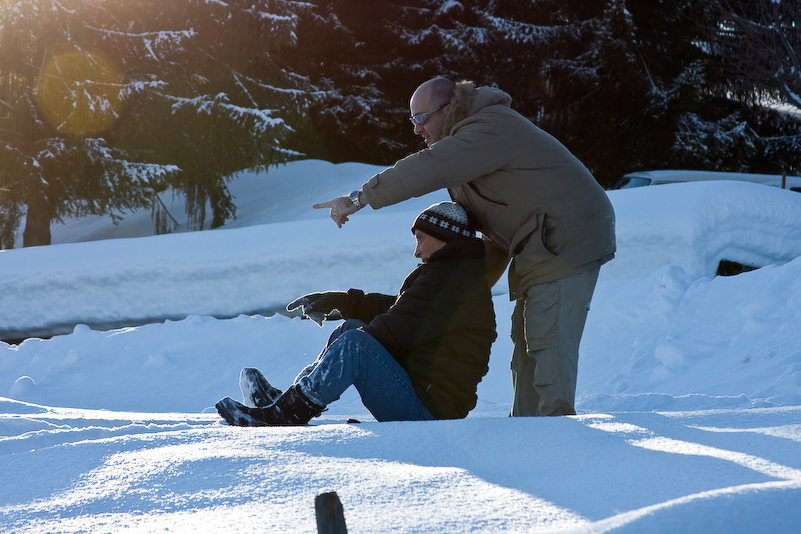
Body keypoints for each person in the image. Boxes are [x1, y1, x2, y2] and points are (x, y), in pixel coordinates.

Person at [314, 78, 616, 417]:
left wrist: (359, 198)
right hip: (537, 239)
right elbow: (485, 236)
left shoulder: (486, 128)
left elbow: (429, 166)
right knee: (527, 339)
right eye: (411, 120)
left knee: (547, 338)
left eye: (421, 118)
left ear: (447, 109)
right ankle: (529, 430)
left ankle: (555, 432)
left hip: (566, 235)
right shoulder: (467, 154)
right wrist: (448, 290)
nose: (416, 129)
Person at [215, 201, 497, 426]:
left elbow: (394, 328)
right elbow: (401, 308)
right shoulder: (451, 276)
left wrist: (350, 345)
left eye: (421, 239)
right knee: (353, 330)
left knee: (356, 345)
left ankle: (288, 410)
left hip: (429, 416)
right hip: (419, 396)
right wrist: (345, 302)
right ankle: (289, 402)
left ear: (445, 237)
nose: (417, 251)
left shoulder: (452, 284)